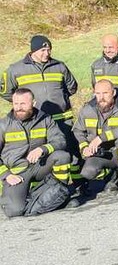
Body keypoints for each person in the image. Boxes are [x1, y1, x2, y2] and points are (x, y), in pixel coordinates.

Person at [2, 35, 79, 179]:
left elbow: (72, 87)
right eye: (43, 50)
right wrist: (24, 104)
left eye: (49, 50)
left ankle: (79, 183)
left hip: (62, 119)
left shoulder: (60, 66)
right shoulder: (15, 69)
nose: (47, 53)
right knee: (42, 155)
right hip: (37, 121)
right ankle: (48, 185)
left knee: (70, 151)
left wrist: (60, 99)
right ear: (33, 51)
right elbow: (6, 92)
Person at [0, 88, 72, 217]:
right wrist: (6, 175)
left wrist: (42, 149)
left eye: (23, 104)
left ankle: (60, 196)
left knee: (62, 156)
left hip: (41, 166)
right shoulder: (3, 125)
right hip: (17, 173)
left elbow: (60, 141)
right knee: (15, 211)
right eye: (16, 103)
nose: (19, 108)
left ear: (33, 103)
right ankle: (41, 200)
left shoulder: (45, 119)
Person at [73, 79, 118, 198]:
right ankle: (112, 176)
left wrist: (102, 138)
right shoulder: (87, 109)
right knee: (88, 172)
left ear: (113, 93)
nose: (101, 97)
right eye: (98, 93)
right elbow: (77, 130)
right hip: (100, 154)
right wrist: (84, 146)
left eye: (105, 93)